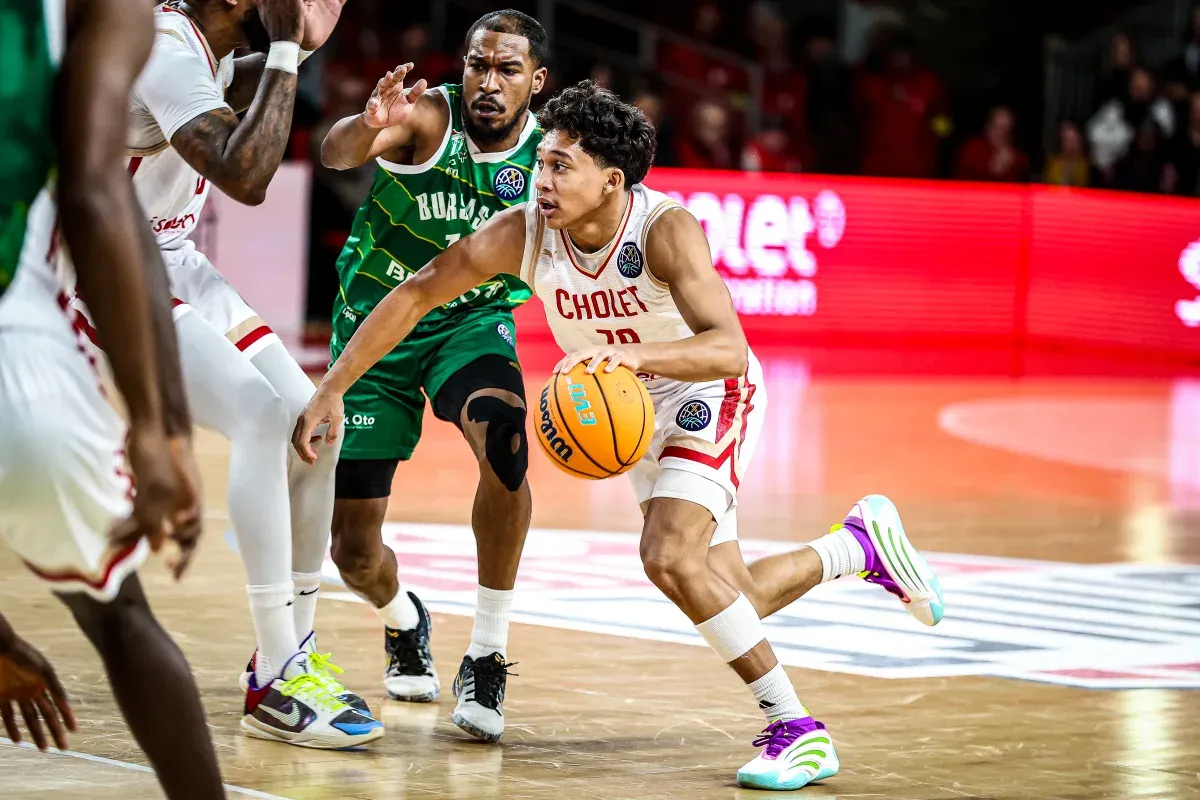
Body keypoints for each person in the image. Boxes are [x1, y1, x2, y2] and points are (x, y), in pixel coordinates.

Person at [294, 80, 946, 790]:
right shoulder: (524, 231)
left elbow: (727, 348)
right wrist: (334, 385)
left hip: (705, 390)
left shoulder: (665, 231)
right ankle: (855, 547)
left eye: (561, 166)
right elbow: (419, 289)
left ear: (611, 180)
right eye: (541, 162)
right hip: (631, 403)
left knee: (666, 556)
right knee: (730, 593)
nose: (540, 180)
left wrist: (636, 357)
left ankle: (797, 728)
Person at [106, 0, 381, 747]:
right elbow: (246, 176)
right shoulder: (164, 46)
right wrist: (291, 46)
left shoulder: (214, 38)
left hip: (172, 261)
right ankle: (274, 685)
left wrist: (303, 47)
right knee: (260, 420)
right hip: (102, 271)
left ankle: (286, 652)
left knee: (315, 415)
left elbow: (249, 77)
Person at [0, 0, 224, 794]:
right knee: (118, 617)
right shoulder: (114, 11)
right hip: (13, 352)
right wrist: (160, 430)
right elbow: (100, 198)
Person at [316, 9, 547, 743]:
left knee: (507, 441)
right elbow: (335, 153)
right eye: (479, 64)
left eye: (508, 69)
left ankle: (488, 649)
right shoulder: (427, 118)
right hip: (378, 321)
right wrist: (365, 123)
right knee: (353, 553)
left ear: (535, 82)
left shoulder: (552, 155)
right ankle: (402, 617)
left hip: (470, 323)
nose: (488, 81)